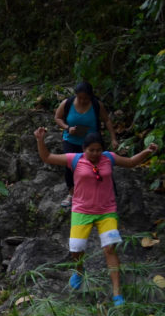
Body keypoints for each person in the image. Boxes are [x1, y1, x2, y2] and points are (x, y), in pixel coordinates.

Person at [34, 126, 157, 306]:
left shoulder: (109, 158)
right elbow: (47, 157)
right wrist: (40, 140)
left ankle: (117, 293)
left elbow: (130, 162)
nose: (95, 153)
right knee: (76, 248)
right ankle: (79, 272)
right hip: (81, 210)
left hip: (106, 211)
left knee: (109, 248)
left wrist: (146, 151)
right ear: (84, 149)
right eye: (91, 150)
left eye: (98, 150)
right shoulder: (75, 159)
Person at [53, 82, 118, 208]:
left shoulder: (96, 105)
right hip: (71, 140)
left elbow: (107, 120)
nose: (82, 101)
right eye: (80, 98)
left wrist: (113, 138)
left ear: (91, 97)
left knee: (96, 166)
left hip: (91, 143)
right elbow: (57, 118)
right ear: (76, 95)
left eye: (86, 98)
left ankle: (99, 192)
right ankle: (71, 194)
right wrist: (67, 127)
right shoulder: (67, 103)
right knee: (70, 166)